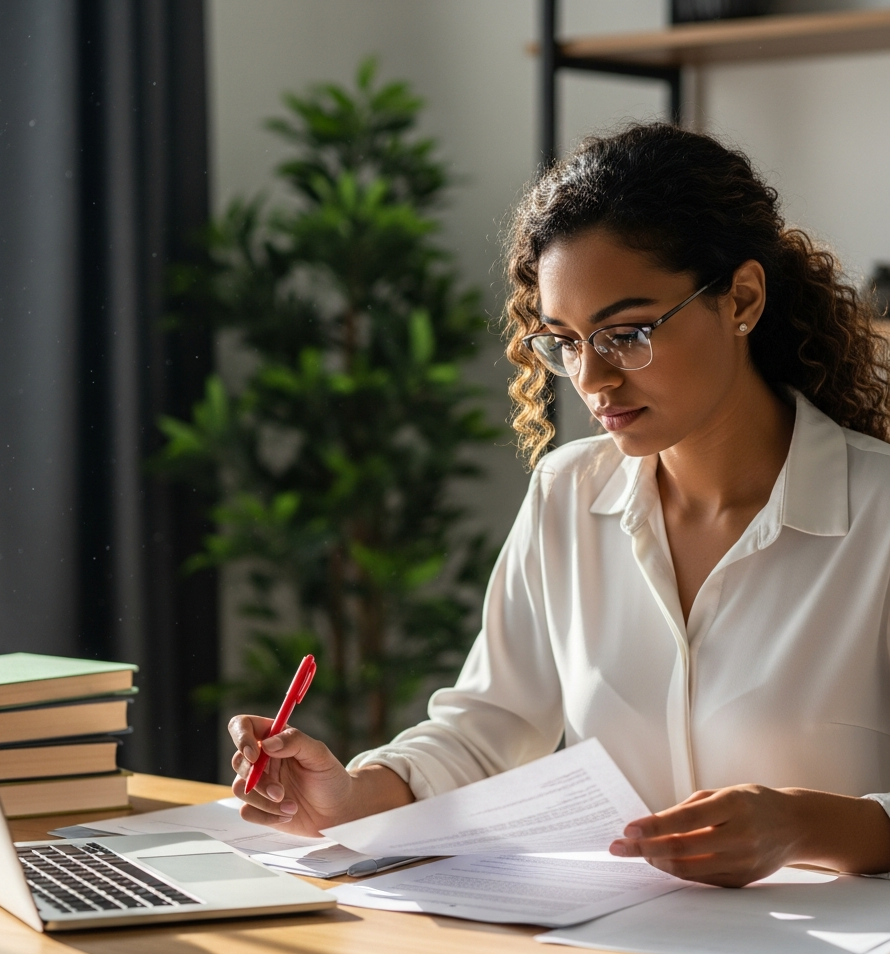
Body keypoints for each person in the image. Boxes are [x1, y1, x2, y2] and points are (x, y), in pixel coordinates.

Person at [228, 123, 890, 887]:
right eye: (567, 341)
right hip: (613, 945)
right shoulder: (568, 495)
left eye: (627, 333)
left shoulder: (876, 515)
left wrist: (805, 826)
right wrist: (350, 797)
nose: (593, 380)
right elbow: (486, 729)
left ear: (741, 298)